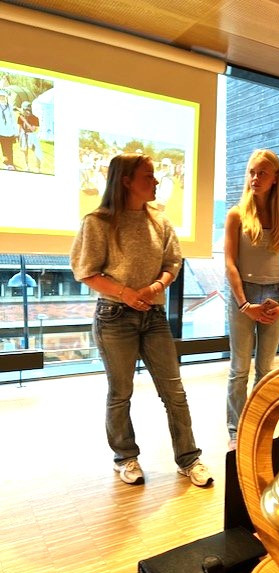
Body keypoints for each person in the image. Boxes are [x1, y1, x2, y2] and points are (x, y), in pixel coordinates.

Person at [70, 153, 213, 487]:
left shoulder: (160, 221)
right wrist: (125, 293)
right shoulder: (98, 222)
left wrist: (155, 287)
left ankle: (189, 459)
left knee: (174, 391)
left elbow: (173, 262)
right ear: (126, 181)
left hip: (154, 316)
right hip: (114, 317)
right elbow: (85, 271)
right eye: (148, 176)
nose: (156, 181)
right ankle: (125, 457)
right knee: (121, 393)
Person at [224, 149, 279, 450]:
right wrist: (244, 304)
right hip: (244, 295)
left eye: (262, 173)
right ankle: (236, 430)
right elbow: (230, 263)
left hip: (273, 296)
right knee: (240, 368)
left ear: (275, 178)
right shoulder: (236, 214)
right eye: (252, 172)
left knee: (266, 369)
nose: (255, 178)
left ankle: (259, 426)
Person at [17, 101, 43, 172]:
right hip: (23, 135)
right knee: (25, 151)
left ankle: (38, 167)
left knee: (37, 151)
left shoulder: (34, 118)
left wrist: (25, 121)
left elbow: (32, 129)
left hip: (32, 135)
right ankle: (27, 166)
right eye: (24, 109)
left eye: (28, 109)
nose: (26, 111)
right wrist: (19, 136)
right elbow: (20, 127)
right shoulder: (20, 117)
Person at [0, 88, 17, 170]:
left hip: (9, 131)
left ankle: (10, 163)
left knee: (9, 148)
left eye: (3, 96)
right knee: (4, 148)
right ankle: (6, 162)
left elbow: (13, 119)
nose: (2, 98)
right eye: (0, 96)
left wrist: (15, 131)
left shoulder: (9, 106)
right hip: (1, 131)